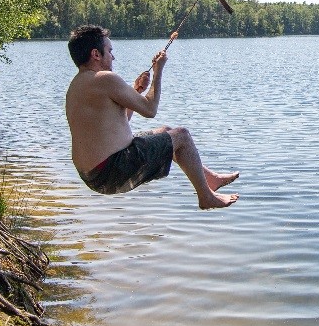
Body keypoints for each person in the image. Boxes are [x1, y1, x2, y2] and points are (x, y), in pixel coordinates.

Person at [65, 24, 238, 208]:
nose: (113, 56)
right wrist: (158, 72)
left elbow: (117, 122)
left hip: (93, 175)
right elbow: (150, 110)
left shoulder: (77, 85)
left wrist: (137, 90)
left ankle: (209, 179)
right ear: (96, 54)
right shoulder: (104, 78)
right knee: (182, 136)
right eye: (109, 50)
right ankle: (206, 197)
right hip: (112, 170)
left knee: (166, 132)